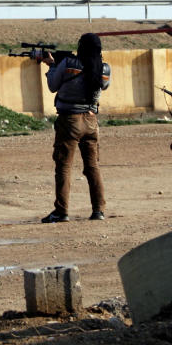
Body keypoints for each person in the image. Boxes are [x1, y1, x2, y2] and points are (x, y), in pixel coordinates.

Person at [39, 33, 111, 223]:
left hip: (69, 120)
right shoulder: (104, 68)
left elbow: (52, 86)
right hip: (91, 121)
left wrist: (52, 66)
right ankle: (99, 210)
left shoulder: (69, 64)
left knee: (64, 166)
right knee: (93, 166)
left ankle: (61, 212)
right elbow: (104, 85)